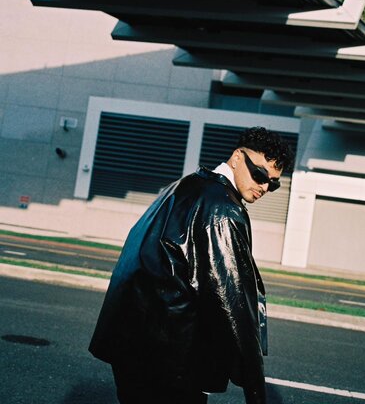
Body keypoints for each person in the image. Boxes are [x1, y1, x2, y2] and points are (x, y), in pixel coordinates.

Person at [89, 126, 294, 404]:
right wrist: (255, 389)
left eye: (274, 183)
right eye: (259, 174)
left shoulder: (184, 186)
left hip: (130, 346)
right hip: (172, 361)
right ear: (237, 157)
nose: (265, 187)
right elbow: (232, 302)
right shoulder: (223, 209)